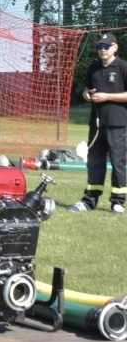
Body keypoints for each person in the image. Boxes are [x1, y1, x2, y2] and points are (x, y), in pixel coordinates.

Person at [68, 33, 127, 214]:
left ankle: (118, 202)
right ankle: (89, 200)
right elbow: (87, 90)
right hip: (96, 124)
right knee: (94, 162)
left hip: (118, 123)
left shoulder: (123, 67)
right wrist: (87, 95)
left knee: (118, 163)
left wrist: (107, 96)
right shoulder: (93, 68)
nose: (102, 50)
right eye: (100, 47)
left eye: (106, 46)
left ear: (115, 47)